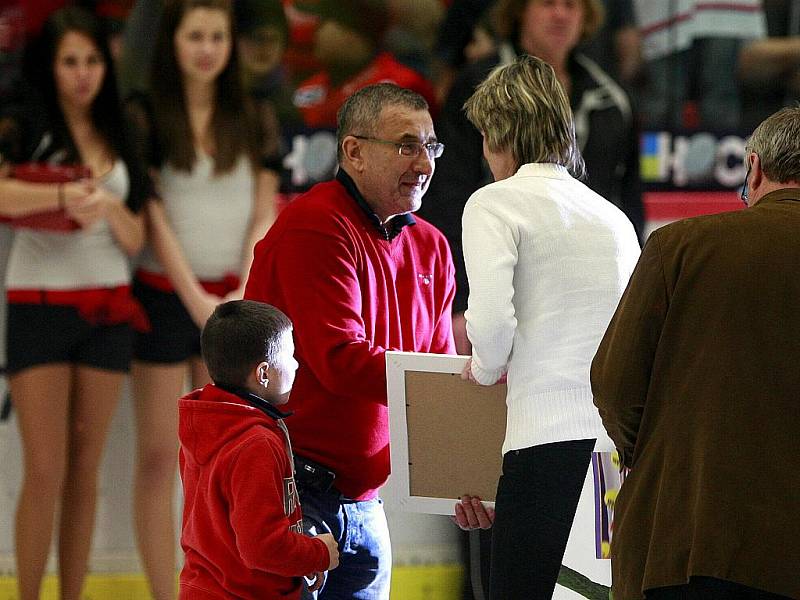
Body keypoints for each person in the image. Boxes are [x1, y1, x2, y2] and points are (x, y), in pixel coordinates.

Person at [244, 82, 456, 599]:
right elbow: (341, 361)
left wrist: (460, 484)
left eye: (431, 147)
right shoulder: (315, 226)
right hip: (291, 494)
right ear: (353, 152)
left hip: (364, 503)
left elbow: (442, 377)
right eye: (407, 145)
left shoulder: (431, 246)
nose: (423, 163)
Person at [590, 106, 800, 600]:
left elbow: (614, 386)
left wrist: (664, 456)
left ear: (752, 168)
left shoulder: (677, 246)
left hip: (685, 544)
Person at [453, 54, 641, 599]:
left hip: (542, 450)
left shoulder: (494, 203)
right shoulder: (613, 219)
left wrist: (483, 372)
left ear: (498, 134)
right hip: (615, 461)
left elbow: (489, 327)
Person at [125, 1, 281, 597]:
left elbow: (263, 209)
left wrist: (240, 288)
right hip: (167, 297)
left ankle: (221, 584)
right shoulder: (146, 116)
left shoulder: (255, 114)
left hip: (237, 301)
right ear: (173, 43)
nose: (207, 48)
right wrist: (192, 295)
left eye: (217, 36)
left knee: (226, 457)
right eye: (195, 36)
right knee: (162, 453)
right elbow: (153, 214)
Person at [0, 6, 149, 599]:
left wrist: (107, 206)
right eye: (70, 62)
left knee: (85, 472)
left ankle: (72, 594)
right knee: (44, 470)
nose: (83, 74)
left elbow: (136, 236)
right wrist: (62, 192)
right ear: (50, 66)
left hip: (109, 306)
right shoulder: (23, 124)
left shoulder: (119, 130)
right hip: (38, 304)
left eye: (91, 61)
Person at [418, 0, 643, 355]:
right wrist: (460, 300)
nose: (560, 14)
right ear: (520, 10)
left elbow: (628, 202)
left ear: (586, 16)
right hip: (499, 286)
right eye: (548, 3)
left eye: (571, 5)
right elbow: (448, 194)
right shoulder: (480, 85)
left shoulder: (613, 97)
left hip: (584, 301)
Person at [178, 300, 340, 598]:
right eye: (290, 355)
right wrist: (317, 552)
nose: (297, 364)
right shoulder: (256, 444)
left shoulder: (208, 422)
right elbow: (261, 548)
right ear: (263, 374)